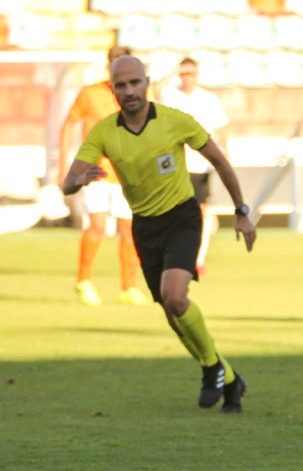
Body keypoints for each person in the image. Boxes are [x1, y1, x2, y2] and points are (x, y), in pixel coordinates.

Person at [61, 56, 256, 414]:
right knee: (172, 313)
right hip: (145, 226)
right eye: (121, 85)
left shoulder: (174, 120)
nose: (129, 91)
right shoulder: (103, 132)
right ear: (113, 90)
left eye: (135, 82)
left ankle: (211, 368)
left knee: (175, 297)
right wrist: (77, 181)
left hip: (182, 218)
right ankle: (228, 378)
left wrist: (241, 211)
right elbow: (68, 183)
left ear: (146, 83)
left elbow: (219, 160)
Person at [58, 45, 147, 306]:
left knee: (129, 231)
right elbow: (69, 124)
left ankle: (128, 288)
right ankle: (84, 281)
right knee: (97, 226)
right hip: (95, 171)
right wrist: (65, 164)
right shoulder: (91, 94)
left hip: (128, 173)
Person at [153, 57, 230, 277]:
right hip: (175, 161)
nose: (187, 78)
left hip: (200, 163)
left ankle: (198, 258)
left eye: (191, 73)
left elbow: (221, 127)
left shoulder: (208, 98)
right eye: (184, 74)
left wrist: (225, 154)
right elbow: (154, 89)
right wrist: (174, 70)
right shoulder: (171, 94)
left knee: (202, 210)